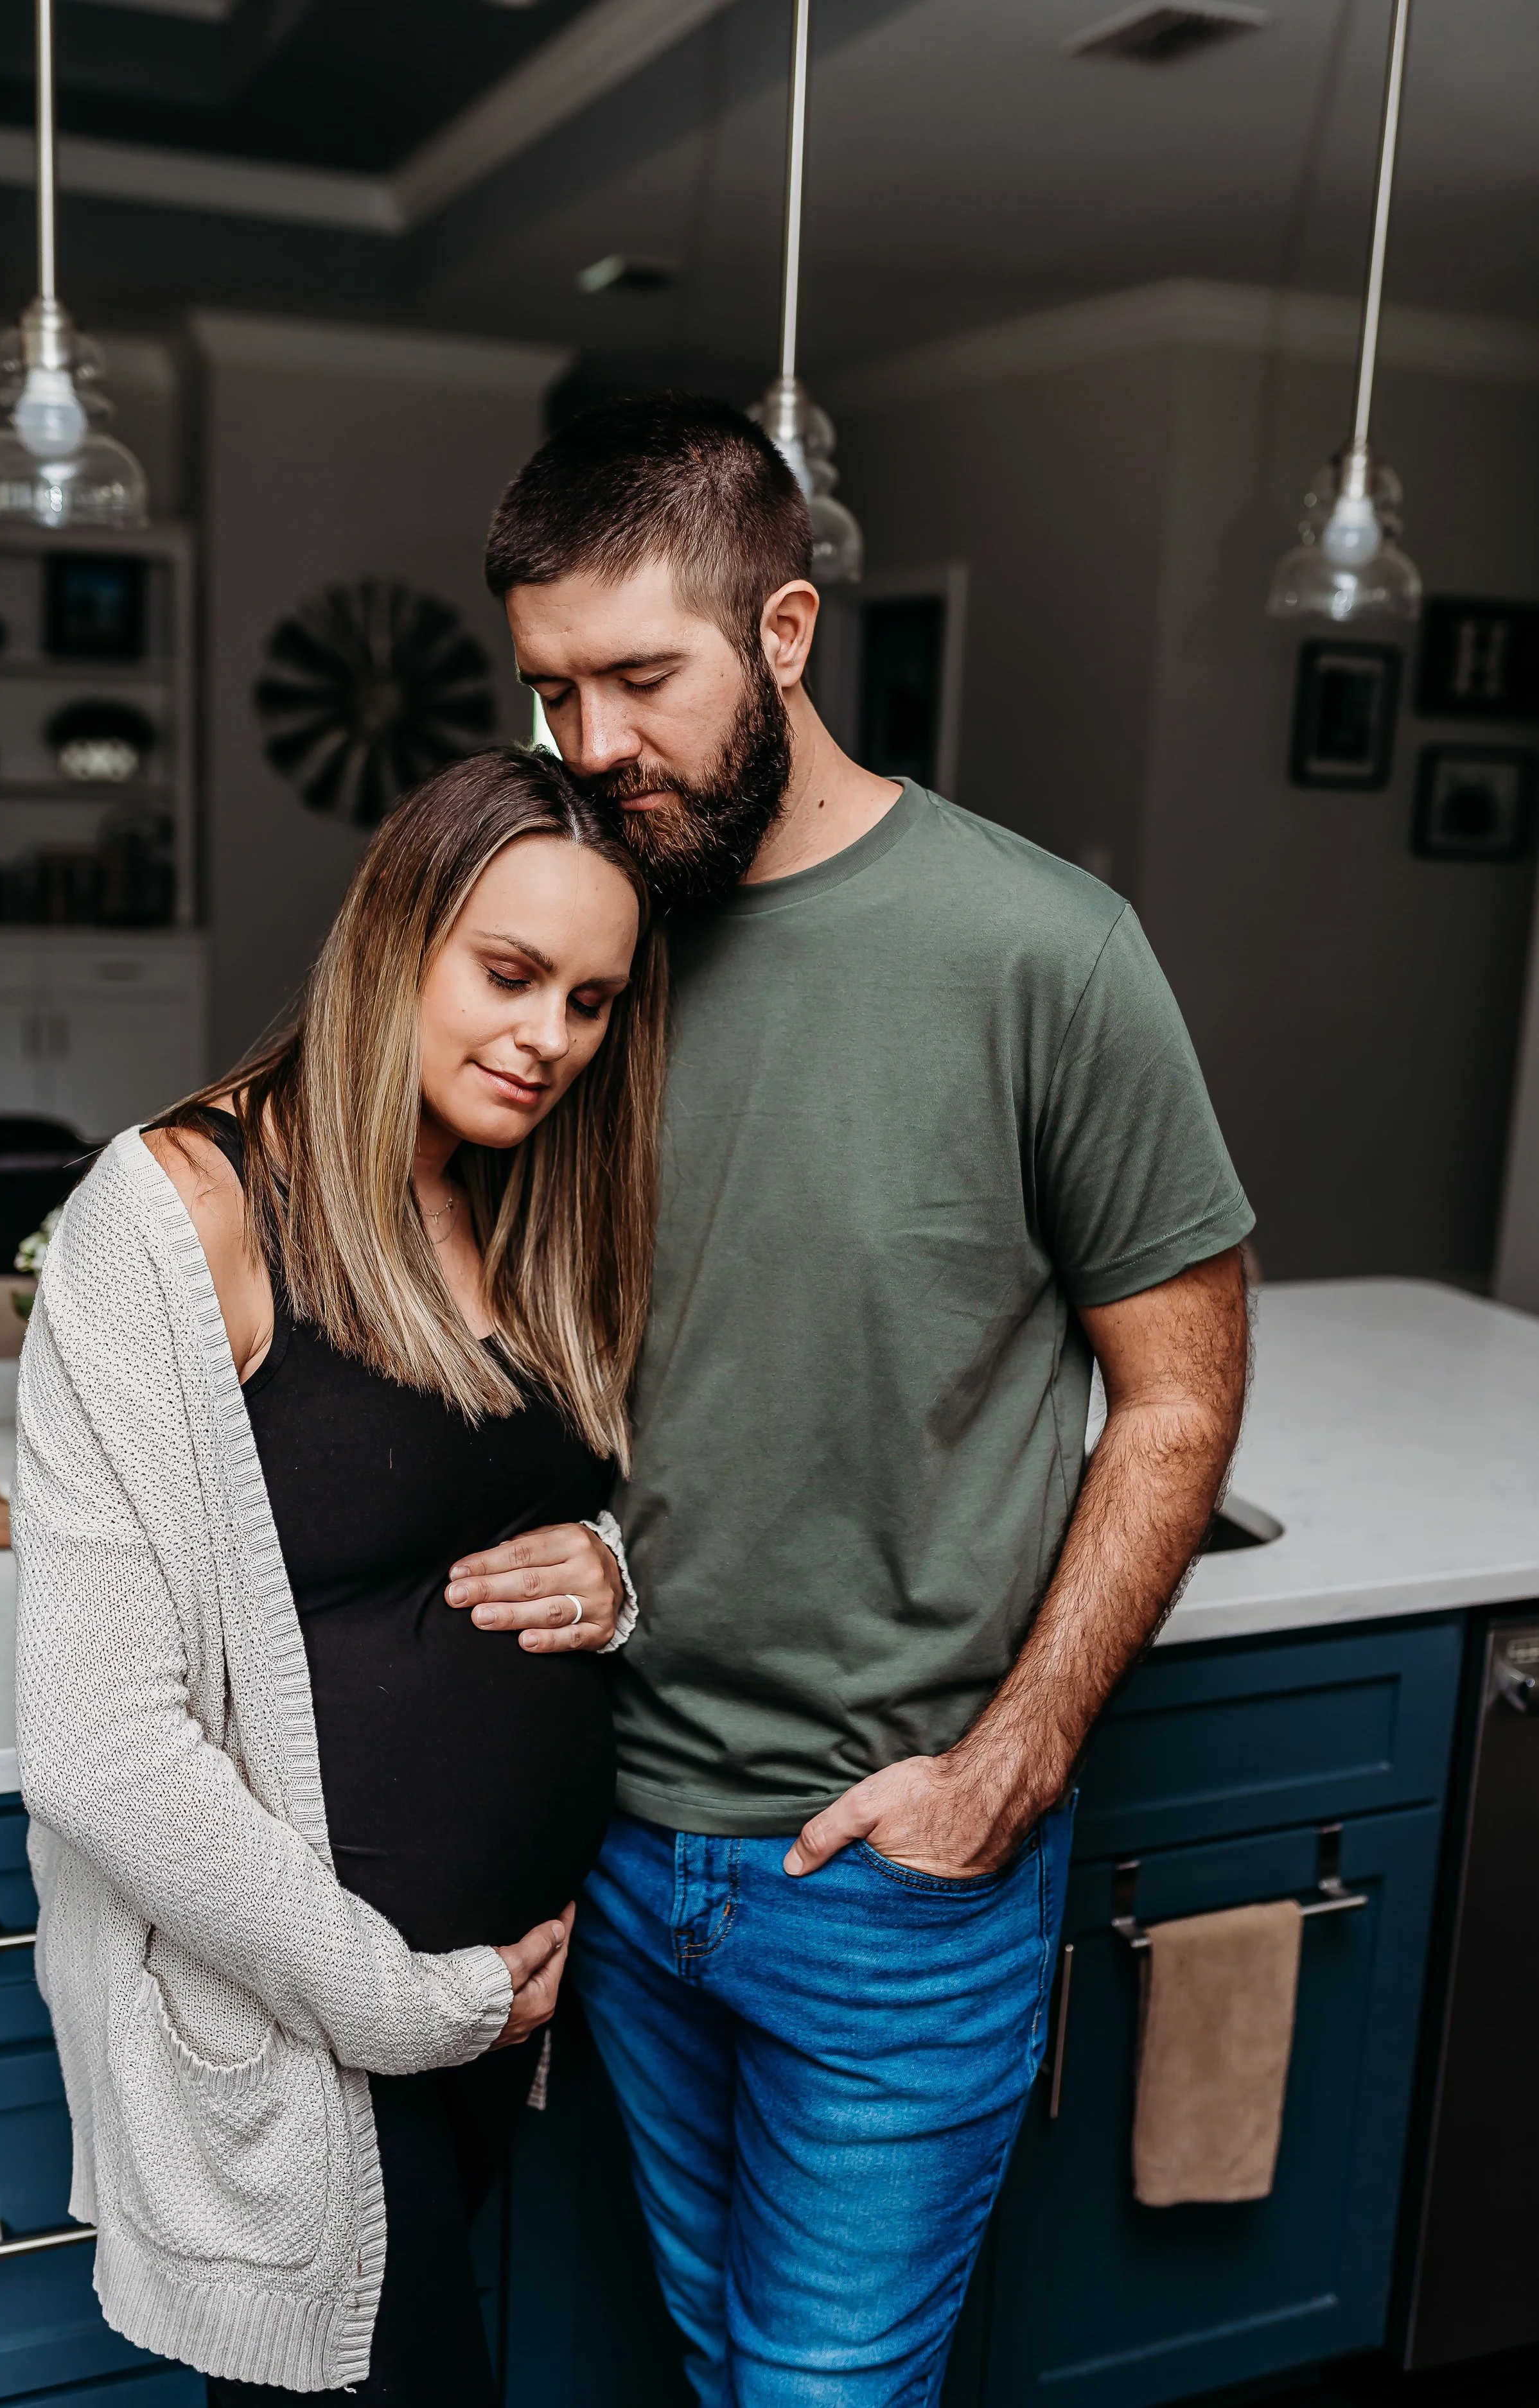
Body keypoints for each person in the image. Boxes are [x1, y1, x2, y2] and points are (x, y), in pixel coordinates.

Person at [479, 395, 1254, 2406]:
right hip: (615, 1848)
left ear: (789, 630)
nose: (593, 748)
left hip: (888, 1874)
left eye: (640, 678)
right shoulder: (583, 947)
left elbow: (1172, 1398)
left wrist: (1009, 1764)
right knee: (725, 2368)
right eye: (554, 691)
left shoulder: (1043, 953)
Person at [12, 747, 667, 2401]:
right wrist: (401, 1999)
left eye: (591, 1001)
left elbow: (627, 1484)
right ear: (395, 941)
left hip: (501, 2018)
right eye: (509, 976)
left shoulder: (532, 1196)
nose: (547, 1040)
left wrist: (612, 1565)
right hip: (317, 2043)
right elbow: (101, 1740)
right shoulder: (177, 1216)